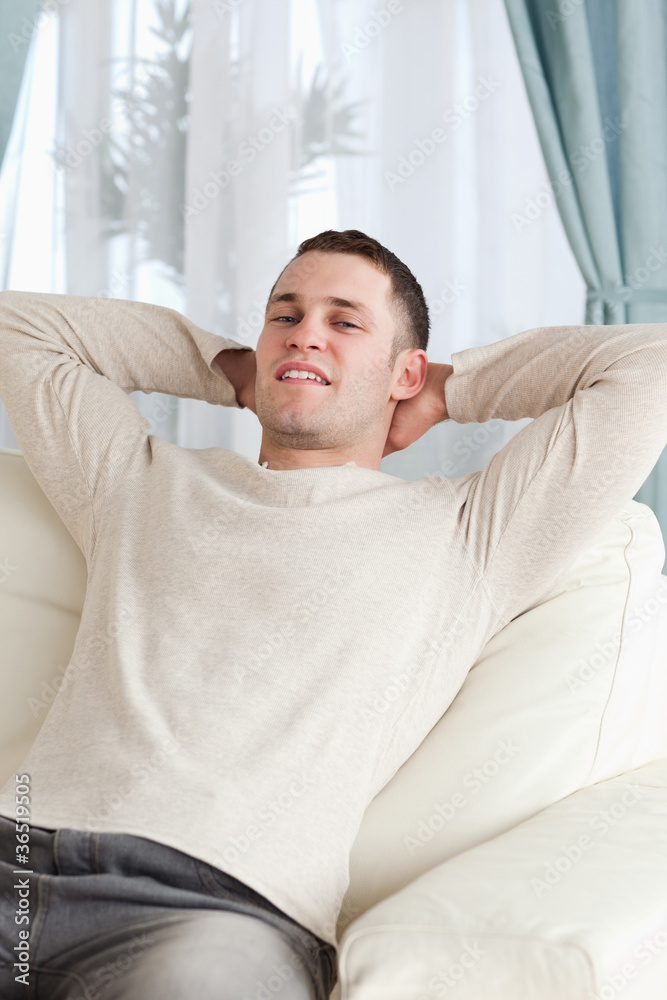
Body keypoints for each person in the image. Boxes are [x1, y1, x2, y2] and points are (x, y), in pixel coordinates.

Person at [0, 228, 665, 1000]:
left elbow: (646, 366)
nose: (305, 332)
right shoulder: (134, 482)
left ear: (402, 370)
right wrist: (228, 370)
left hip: (214, 914)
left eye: (344, 322)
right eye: (284, 316)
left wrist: (450, 390)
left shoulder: (470, 534)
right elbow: (20, 326)